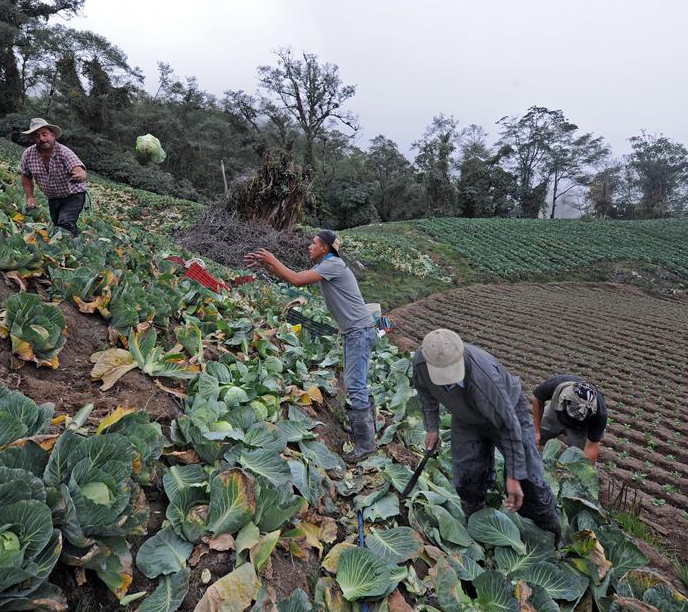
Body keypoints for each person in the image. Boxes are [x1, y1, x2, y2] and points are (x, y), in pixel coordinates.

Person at [412, 328, 563, 543]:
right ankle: (478, 524)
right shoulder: (422, 361)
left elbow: (510, 427)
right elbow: (425, 391)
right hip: (466, 417)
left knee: (528, 480)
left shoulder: (483, 376)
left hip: (508, 414)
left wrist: (514, 476)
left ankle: (553, 533)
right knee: (466, 476)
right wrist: (432, 427)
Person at [245, 231, 378, 462]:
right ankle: (364, 430)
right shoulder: (327, 265)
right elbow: (292, 277)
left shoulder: (333, 264)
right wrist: (267, 265)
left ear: (325, 248)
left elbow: (297, 279)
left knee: (355, 384)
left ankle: (366, 444)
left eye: (314, 243)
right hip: (355, 330)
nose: (309, 246)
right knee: (356, 381)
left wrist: (272, 259)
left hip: (358, 331)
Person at [19, 117, 88, 235]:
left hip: (73, 195)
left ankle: (67, 243)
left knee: (65, 224)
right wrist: (30, 197)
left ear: (53, 135)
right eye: (37, 136)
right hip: (53, 197)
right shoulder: (28, 154)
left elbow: (79, 170)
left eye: (44, 134)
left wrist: (80, 176)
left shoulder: (64, 152)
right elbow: (26, 175)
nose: (41, 139)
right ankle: (76, 241)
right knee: (57, 226)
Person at [532, 374, 607, 466]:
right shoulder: (555, 384)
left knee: (579, 458)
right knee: (536, 436)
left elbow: (591, 448)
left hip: (580, 428)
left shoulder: (599, 414)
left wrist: (585, 469)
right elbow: (537, 399)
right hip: (555, 413)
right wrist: (536, 431)